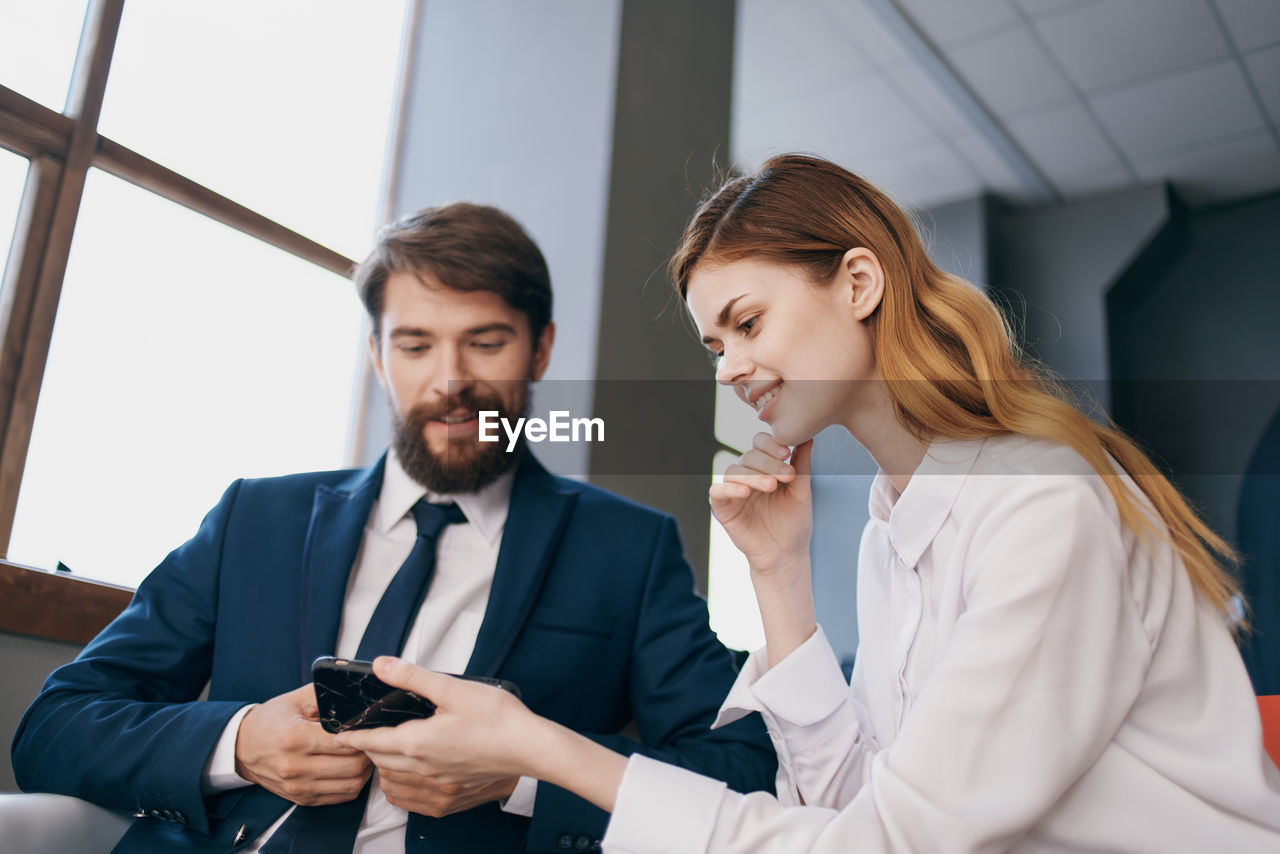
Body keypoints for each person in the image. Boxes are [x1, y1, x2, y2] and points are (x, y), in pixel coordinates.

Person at [331, 156, 1280, 853]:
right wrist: (780, 577)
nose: (733, 367)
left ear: (859, 283)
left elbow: (889, 846)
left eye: (747, 323)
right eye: (714, 347)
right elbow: (846, 800)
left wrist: (537, 748)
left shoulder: (1040, 503)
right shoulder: (891, 518)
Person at [10, 203, 776, 854]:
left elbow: (743, 765)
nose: (450, 380)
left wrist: (525, 775)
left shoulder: (627, 549)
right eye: (415, 346)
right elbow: (54, 728)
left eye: (486, 341)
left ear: (540, 349)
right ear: (378, 356)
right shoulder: (257, 518)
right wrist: (240, 744)